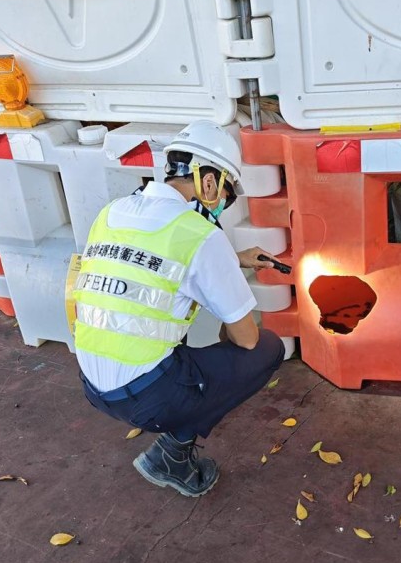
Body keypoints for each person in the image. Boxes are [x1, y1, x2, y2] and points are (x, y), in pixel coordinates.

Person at [73, 120, 285, 497]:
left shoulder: (111, 212)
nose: (221, 204)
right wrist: (226, 279)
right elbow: (246, 340)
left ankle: (174, 420)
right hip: (146, 399)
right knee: (267, 349)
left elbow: (152, 266)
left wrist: (231, 261)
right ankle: (171, 455)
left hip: (92, 384)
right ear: (209, 182)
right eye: (226, 195)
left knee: (175, 333)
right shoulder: (200, 235)